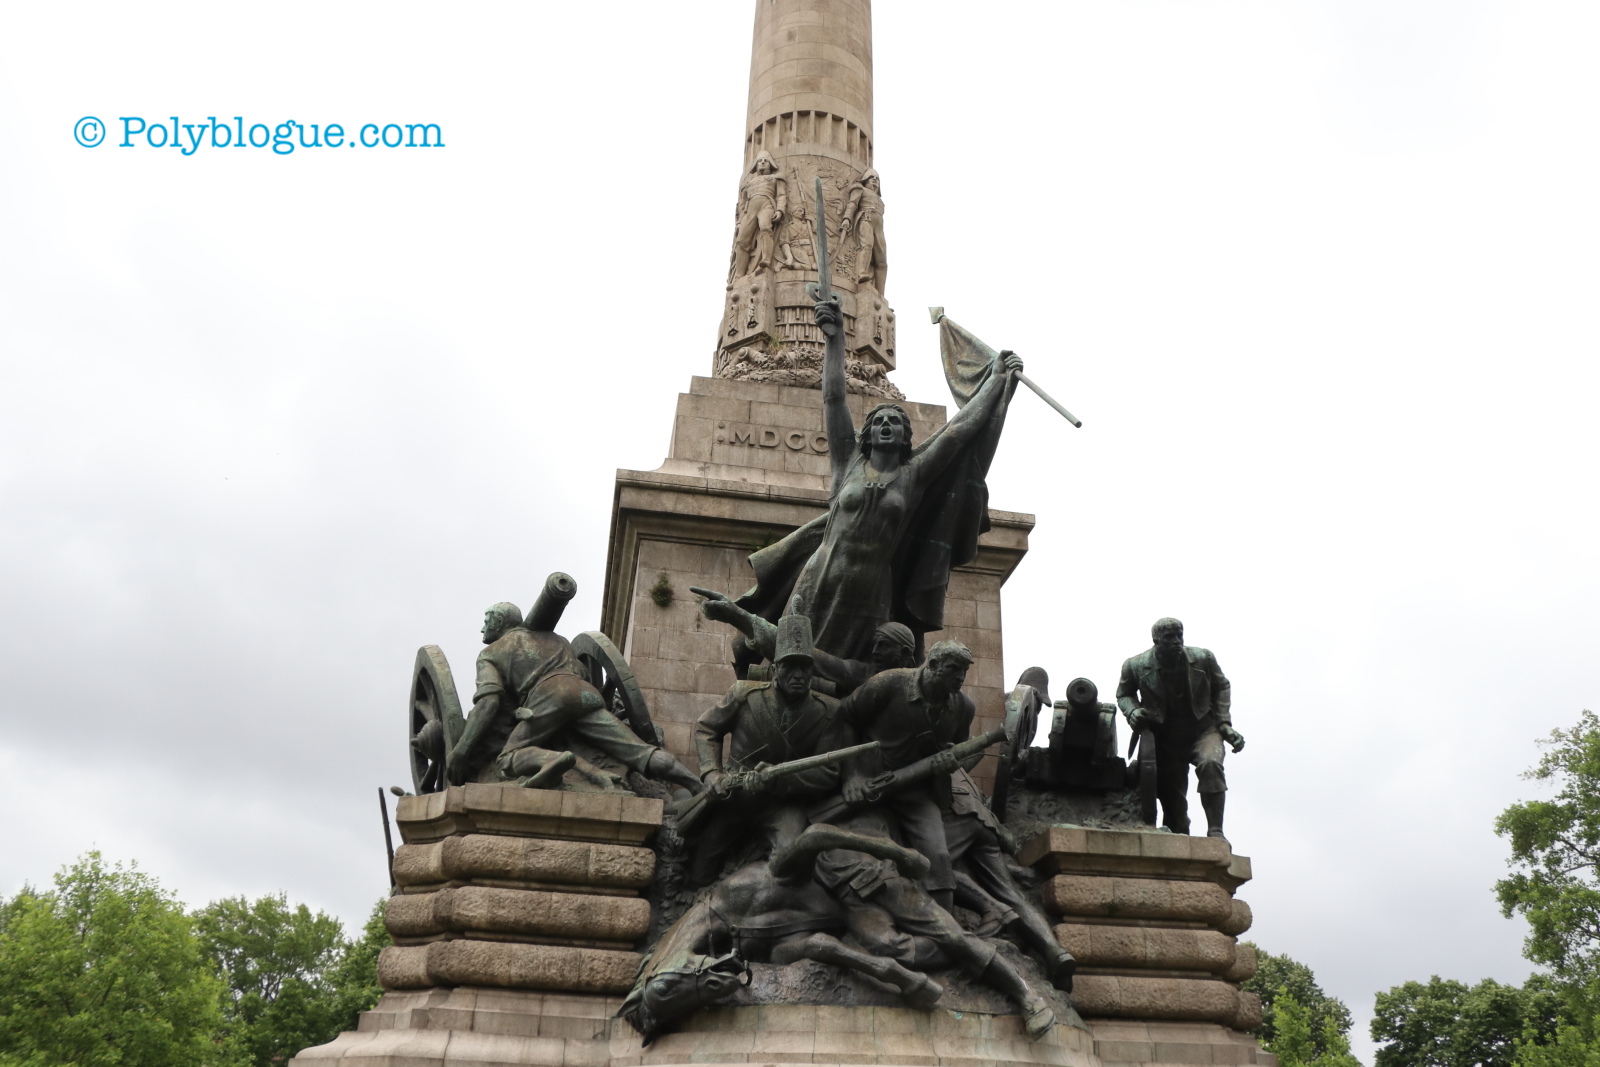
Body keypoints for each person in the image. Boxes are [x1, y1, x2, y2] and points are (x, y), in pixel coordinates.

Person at [732, 300, 1022, 663]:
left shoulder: (913, 475)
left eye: (894, 422)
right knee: (793, 659)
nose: (886, 425)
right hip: (822, 575)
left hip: (874, 587)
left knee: (860, 668)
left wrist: (996, 383)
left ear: (904, 437)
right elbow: (834, 398)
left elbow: (957, 433)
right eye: (879, 421)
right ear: (867, 434)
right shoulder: (848, 461)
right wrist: (835, 340)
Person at [445, 602, 701, 793]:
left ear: (499, 622)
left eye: (486, 620)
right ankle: (697, 785)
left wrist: (460, 751)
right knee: (642, 752)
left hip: (549, 697)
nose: (483, 628)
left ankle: (555, 759)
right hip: (586, 694)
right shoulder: (559, 640)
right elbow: (582, 672)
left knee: (506, 759)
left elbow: (489, 702)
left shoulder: (490, 653)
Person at [690, 615, 845, 880]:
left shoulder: (829, 711)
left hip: (784, 803)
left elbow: (828, 773)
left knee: (789, 863)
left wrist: (779, 779)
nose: (798, 675)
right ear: (775, 669)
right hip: (736, 796)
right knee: (701, 866)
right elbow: (707, 728)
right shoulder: (743, 694)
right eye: (790, 666)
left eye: (805, 667)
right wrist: (712, 773)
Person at [835, 639, 979, 908]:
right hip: (870, 783)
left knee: (938, 857)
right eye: (953, 668)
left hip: (916, 794)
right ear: (933, 664)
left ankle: (945, 925)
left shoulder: (963, 708)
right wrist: (851, 776)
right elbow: (845, 716)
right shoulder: (888, 684)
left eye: (964, 670)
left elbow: (962, 752)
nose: (960, 676)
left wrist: (952, 763)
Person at [1115, 617, 1244, 838]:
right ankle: (1178, 838)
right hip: (1165, 738)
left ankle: (1216, 831)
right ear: (1156, 640)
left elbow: (1222, 686)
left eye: (1179, 635)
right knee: (1174, 809)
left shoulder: (1203, 658)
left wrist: (1224, 723)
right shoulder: (1134, 665)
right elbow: (1124, 694)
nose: (1176, 641)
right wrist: (1133, 712)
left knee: (1211, 765)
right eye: (1169, 637)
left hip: (1203, 730)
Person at [693, 586, 918, 697]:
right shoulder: (861, 673)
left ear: (906, 653)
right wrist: (738, 616)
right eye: (875, 644)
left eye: (884, 646)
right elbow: (809, 654)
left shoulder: (921, 684)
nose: (875, 651)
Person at [730, 150, 787, 279]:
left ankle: (766, 260)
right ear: (755, 165)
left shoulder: (776, 178)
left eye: (765, 161)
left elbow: (781, 195)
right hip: (750, 209)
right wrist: (739, 221)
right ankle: (739, 274)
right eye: (759, 161)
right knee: (741, 241)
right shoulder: (748, 183)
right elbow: (742, 204)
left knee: (766, 228)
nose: (762, 163)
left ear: (771, 164)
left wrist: (780, 210)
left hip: (767, 205)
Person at [840, 169, 887, 294]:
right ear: (865, 180)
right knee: (866, 246)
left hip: (879, 227)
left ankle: (880, 294)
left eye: (877, 178)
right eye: (872, 177)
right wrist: (847, 218)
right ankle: (862, 273)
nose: (875, 180)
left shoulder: (880, 200)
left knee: (882, 261)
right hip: (866, 219)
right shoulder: (860, 189)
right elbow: (852, 204)